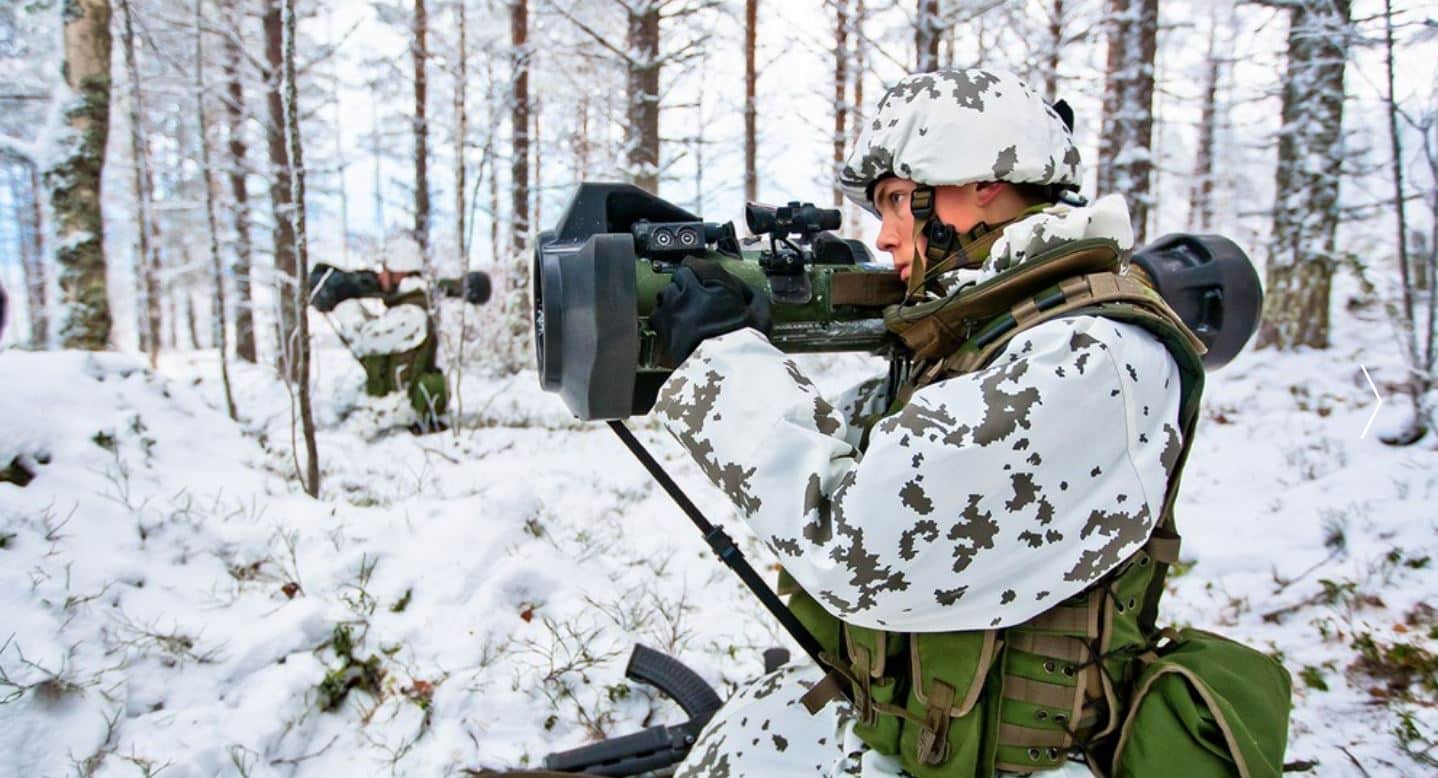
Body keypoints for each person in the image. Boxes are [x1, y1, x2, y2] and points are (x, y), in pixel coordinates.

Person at [648, 69, 1288, 777]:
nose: (887, 238)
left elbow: (858, 545)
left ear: (980, 181)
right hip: (918, 735)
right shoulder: (1002, 330)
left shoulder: (1088, 355)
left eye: (896, 201)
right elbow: (881, 451)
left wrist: (725, 362)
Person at [328, 235, 448, 434]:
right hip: (392, 413)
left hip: (397, 415)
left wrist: (344, 306)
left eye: (385, 270)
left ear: (398, 272)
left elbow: (365, 340)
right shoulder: (406, 309)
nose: (380, 276)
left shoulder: (411, 313)